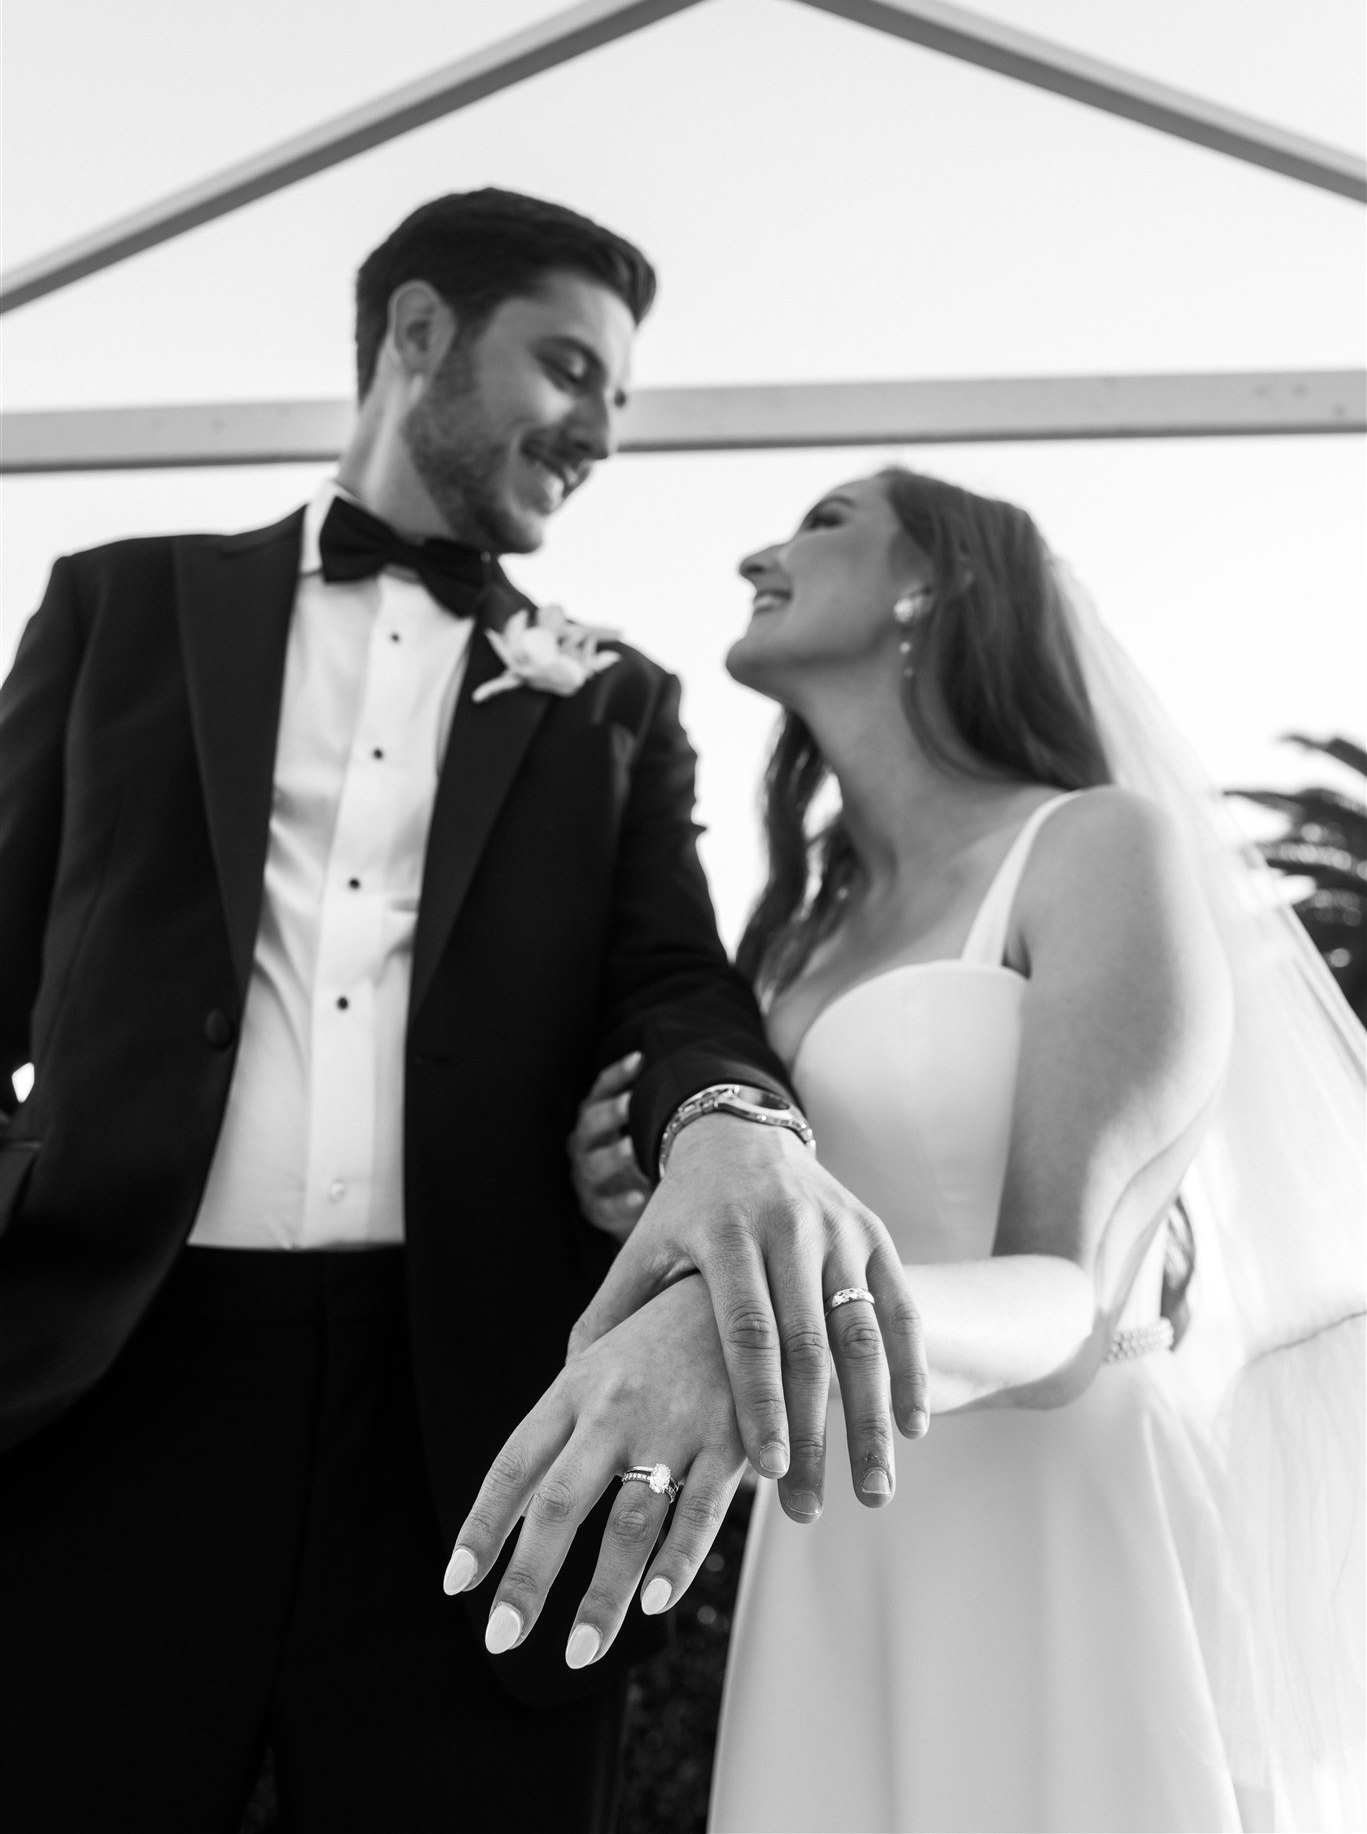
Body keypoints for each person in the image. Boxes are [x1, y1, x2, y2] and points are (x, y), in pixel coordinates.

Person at [0, 189, 928, 1834]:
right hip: (104, 1391)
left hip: (476, 1417)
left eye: (618, 404)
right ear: (418, 334)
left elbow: (675, 982)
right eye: (567, 370)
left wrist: (733, 1126)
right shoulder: (115, 606)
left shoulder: (615, 701)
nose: (595, 436)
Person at [556, 467, 1366, 1832]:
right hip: (839, 1546)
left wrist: (783, 1317)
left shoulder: (1095, 847)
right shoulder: (790, 947)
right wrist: (646, 1193)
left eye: (823, 524)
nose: (760, 550)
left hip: (1059, 1520)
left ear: (933, 587)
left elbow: (1070, 1312)